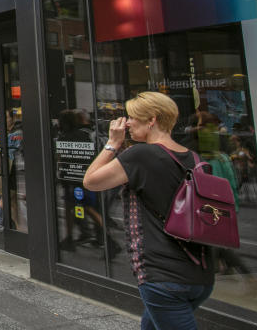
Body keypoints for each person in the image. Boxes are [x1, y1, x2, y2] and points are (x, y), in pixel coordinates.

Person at [83, 92, 215, 329]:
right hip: (200, 275)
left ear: (152, 120)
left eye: (132, 117)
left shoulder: (140, 155)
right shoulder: (194, 158)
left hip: (163, 276)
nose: (128, 123)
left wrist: (113, 143)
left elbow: (91, 181)